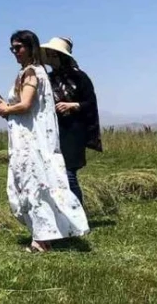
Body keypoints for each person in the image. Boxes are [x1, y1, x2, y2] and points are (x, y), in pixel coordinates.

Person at [0, 30, 89, 253]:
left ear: (30, 48)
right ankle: (47, 232)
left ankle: (41, 239)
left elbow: (26, 104)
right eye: (12, 49)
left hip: (30, 141)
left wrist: (7, 108)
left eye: (18, 48)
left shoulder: (31, 72)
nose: (15, 52)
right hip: (30, 136)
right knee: (38, 183)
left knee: (33, 183)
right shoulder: (37, 72)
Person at [41, 37, 103, 205]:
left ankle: (78, 213)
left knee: (68, 173)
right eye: (49, 55)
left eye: (54, 55)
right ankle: (65, 213)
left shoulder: (80, 77)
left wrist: (72, 105)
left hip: (74, 131)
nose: (51, 59)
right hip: (54, 130)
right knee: (56, 174)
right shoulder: (49, 79)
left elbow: (90, 103)